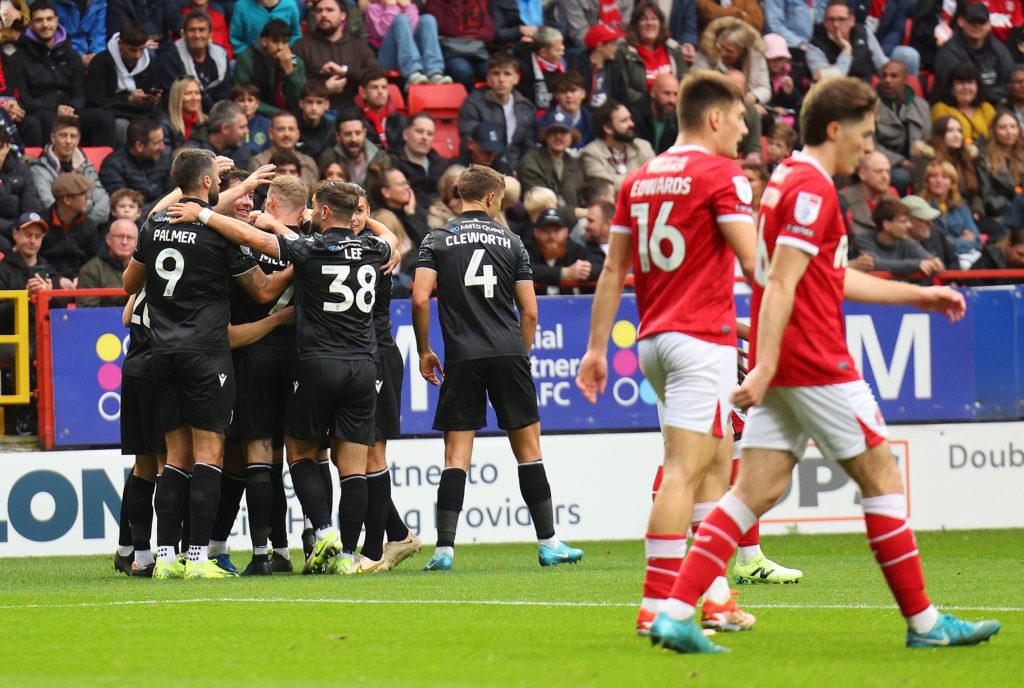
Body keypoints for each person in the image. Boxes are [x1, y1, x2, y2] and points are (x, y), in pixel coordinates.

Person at [642, 76, 999, 654]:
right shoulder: (812, 189)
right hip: (813, 361)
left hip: (787, 361)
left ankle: (676, 612)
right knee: (881, 476)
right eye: (864, 131)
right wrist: (763, 364)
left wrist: (920, 294)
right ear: (836, 129)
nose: (870, 144)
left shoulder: (787, 179)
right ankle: (927, 624)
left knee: (752, 491)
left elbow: (825, 277)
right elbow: (779, 280)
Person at [577, 68, 759, 637]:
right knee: (685, 469)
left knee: (713, 465)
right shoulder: (722, 176)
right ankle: (656, 606)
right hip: (699, 339)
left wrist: (595, 349)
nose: (745, 126)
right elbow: (757, 266)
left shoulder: (639, 178)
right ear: (713, 118)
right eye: (738, 116)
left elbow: (613, 269)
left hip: (657, 336)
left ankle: (718, 599)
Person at [166, 179, 398, 575]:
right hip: (364, 365)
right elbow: (391, 237)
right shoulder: (377, 251)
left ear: (323, 212)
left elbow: (250, 240)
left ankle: (324, 531)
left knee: (299, 451)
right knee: (353, 467)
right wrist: (368, 220)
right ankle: (346, 558)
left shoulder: (310, 249)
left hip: (318, 362)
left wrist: (204, 213)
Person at [121, 149, 289, 579]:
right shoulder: (219, 234)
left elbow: (128, 283)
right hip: (206, 353)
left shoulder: (154, 224)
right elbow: (263, 291)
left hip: (162, 352)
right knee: (209, 457)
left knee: (174, 458)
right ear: (209, 183)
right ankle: (197, 558)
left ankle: (163, 558)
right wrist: (301, 264)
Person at [412, 165, 584, 571]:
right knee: (529, 452)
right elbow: (530, 311)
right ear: (491, 198)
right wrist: (519, 353)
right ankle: (549, 543)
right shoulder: (512, 241)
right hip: (508, 352)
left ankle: (444, 551)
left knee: (456, 456)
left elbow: (420, 299)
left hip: (462, 355)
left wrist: (424, 349)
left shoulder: (437, 239)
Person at [346, 186, 421, 572]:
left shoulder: (378, 252)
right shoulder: (352, 247)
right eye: (349, 211)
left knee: (372, 453)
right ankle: (399, 534)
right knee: (352, 458)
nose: (355, 218)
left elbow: (391, 239)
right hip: (350, 359)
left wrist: (364, 218)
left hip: (376, 356)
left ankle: (373, 552)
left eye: (361, 211)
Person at [8, 1, 86, 146]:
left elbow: (80, 93)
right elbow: (24, 100)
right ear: (31, 24)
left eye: (49, 19)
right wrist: (56, 109)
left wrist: (70, 108)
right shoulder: (18, 59)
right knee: (48, 120)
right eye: (39, 20)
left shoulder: (72, 55)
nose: (45, 25)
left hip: (70, 109)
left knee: (101, 118)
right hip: (40, 111)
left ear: (57, 21)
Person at [292, 0, 383, 111]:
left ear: (343, 15)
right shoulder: (301, 46)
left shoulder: (357, 45)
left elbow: (377, 72)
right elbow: (294, 86)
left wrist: (345, 72)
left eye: (330, 10)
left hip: (353, 113)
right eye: (319, 11)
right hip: (316, 114)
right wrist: (324, 89)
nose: (324, 14)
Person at [84, 21, 164, 145]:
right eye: (132, 50)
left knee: (164, 125)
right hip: (114, 114)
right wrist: (128, 99)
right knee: (124, 127)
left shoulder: (150, 64)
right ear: (121, 44)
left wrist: (151, 98)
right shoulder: (100, 62)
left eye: (141, 49)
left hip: (143, 113)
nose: (137, 55)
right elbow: (94, 100)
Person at [457, 52, 537, 169]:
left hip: (517, 170)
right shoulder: (473, 103)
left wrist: (521, 171)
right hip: (481, 168)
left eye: (507, 74)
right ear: (488, 79)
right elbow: (471, 144)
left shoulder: (526, 108)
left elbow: (529, 149)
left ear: (516, 78)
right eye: (496, 74)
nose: (501, 79)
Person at [29, 116, 108, 226]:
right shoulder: (39, 168)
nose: (68, 141)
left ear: (78, 139)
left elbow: (103, 202)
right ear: (53, 137)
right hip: (55, 230)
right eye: (63, 135)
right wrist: (88, 204)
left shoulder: (85, 165)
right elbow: (51, 206)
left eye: (73, 136)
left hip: (89, 227)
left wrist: (85, 226)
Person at [614, 2, 689, 110]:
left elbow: (684, 83)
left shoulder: (673, 49)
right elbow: (624, 90)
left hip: (672, 111)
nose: (649, 23)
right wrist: (652, 105)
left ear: (660, 23)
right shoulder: (624, 51)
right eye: (644, 19)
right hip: (638, 111)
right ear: (636, 25)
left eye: (654, 19)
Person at [935, 3, 1014, 103]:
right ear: (961, 22)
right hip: (956, 105)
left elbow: (1010, 81)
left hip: (993, 104)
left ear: (989, 25)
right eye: (972, 21)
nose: (977, 26)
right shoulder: (948, 52)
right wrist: (994, 95)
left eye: (982, 22)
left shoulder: (999, 49)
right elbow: (956, 88)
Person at [518, 111, 585, 223]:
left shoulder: (576, 163)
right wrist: (578, 212)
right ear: (545, 135)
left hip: (573, 224)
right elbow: (541, 203)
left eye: (563, 132)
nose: (558, 136)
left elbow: (582, 198)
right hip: (541, 223)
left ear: (572, 136)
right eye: (553, 131)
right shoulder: (531, 160)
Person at [159, 9, 232, 111]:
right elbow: (173, 98)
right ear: (183, 34)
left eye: (202, 30)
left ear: (210, 34)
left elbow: (225, 94)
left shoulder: (220, 55)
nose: (197, 36)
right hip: (182, 115)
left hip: (216, 115)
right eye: (192, 30)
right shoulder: (171, 57)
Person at [854, 198, 945, 279]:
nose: (909, 225)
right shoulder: (863, 241)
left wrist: (935, 263)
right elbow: (874, 264)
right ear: (887, 225)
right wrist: (917, 264)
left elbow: (928, 259)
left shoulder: (906, 241)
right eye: (903, 221)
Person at [875, 58, 929, 194]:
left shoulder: (921, 105)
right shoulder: (870, 106)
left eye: (894, 76)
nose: (887, 80)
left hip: (916, 161)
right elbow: (870, 144)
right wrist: (901, 161)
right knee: (901, 177)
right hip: (885, 163)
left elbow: (928, 138)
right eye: (884, 76)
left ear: (905, 79)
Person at [233, 19, 307, 118]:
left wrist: (290, 72)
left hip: (292, 118)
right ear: (264, 41)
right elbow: (241, 98)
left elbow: (301, 100)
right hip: (256, 115)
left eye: (285, 42)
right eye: (275, 41)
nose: (280, 47)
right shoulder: (247, 59)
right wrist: (278, 114)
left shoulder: (295, 61)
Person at [580, 99, 656, 194]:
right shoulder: (591, 153)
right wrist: (642, 180)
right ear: (608, 128)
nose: (631, 124)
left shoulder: (642, 146)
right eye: (624, 121)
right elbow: (605, 187)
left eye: (630, 119)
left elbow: (655, 179)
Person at [99, 118, 171, 217]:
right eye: (157, 143)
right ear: (139, 146)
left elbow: (172, 192)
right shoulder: (113, 166)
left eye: (163, 141)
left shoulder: (164, 158)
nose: (162, 147)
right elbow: (123, 205)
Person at [365, 0, 449, 86]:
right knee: (401, 19)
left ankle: (434, 73)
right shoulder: (372, 8)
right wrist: (391, 6)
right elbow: (381, 33)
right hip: (388, 58)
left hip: (409, 54)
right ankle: (412, 73)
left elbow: (413, 30)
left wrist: (408, 7)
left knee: (428, 19)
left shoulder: (409, 6)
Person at [695, 17, 771, 108]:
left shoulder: (756, 56)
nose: (723, 53)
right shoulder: (707, 52)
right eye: (721, 47)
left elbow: (764, 88)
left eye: (729, 51)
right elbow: (698, 84)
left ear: (742, 52)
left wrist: (753, 97)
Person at [806, 0, 889, 82]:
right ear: (824, 22)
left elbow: (883, 65)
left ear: (851, 21)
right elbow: (827, 81)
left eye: (841, 19)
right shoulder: (815, 45)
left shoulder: (864, 33)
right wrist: (846, 50)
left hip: (866, 89)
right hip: (834, 93)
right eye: (831, 19)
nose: (836, 24)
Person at [920, 160, 982, 267]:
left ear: (952, 183)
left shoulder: (961, 206)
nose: (939, 180)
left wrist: (950, 241)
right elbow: (933, 246)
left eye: (945, 177)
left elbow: (976, 241)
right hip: (935, 261)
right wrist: (960, 240)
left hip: (963, 258)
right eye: (934, 176)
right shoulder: (921, 206)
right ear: (927, 181)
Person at [528, 208, 602, 295]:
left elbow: (599, 266)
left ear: (566, 232)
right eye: (545, 230)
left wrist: (586, 270)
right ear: (536, 232)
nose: (551, 236)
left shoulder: (575, 249)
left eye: (557, 230)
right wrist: (565, 273)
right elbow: (525, 270)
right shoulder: (527, 249)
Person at [41, 172, 99, 284]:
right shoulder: (41, 224)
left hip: (82, 284)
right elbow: (36, 260)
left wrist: (83, 277)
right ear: (67, 199)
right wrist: (57, 280)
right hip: (49, 284)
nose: (88, 197)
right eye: (83, 194)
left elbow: (93, 260)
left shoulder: (89, 225)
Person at [318, 108, 391, 188]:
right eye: (347, 134)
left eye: (358, 133)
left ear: (364, 133)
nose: (354, 139)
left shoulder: (380, 158)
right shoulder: (329, 158)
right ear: (338, 136)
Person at [391, 113, 451, 208]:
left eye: (429, 134)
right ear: (406, 134)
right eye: (419, 131)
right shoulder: (392, 164)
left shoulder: (442, 165)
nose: (424, 137)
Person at [977, 111, 1024, 228]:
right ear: (994, 131)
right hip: (1001, 217)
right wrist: (1018, 204)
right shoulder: (984, 158)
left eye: (1013, 127)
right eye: (1003, 127)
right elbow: (988, 200)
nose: (1009, 132)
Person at [76, 218, 136, 306]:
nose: (124, 242)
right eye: (119, 236)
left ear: (137, 243)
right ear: (108, 239)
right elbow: (88, 312)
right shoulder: (91, 271)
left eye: (129, 237)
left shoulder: (146, 268)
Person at [930, 63, 996, 142]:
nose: (966, 87)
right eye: (960, 83)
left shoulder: (986, 108)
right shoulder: (940, 108)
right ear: (951, 88)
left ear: (978, 87)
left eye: (970, 82)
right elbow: (942, 140)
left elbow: (996, 138)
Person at [252, 111, 319, 187]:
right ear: (271, 133)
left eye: (291, 129)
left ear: (298, 134)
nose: (287, 134)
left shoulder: (309, 163)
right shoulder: (259, 162)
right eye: (280, 129)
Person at [840, 151, 898, 238]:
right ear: (862, 174)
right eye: (879, 171)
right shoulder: (844, 198)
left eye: (888, 172)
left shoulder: (893, 199)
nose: (885, 177)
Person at [184, 100, 253, 172]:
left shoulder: (243, 151)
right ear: (225, 128)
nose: (247, 131)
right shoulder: (193, 154)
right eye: (242, 127)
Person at [569, 23, 625, 109]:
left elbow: (619, 95)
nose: (616, 48)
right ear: (599, 46)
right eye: (613, 44)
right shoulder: (578, 66)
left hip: (609, 113)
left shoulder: (615, 65)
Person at [369, 167, 429, 245]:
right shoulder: (382, 220)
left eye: (407, 183)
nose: (407, 187)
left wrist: (411, 215)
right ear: (386, 192)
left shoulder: (415, 210)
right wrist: (411, 216)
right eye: (402, 184)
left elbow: (429, 246)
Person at [0, 127, 40, 240]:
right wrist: (15, 232)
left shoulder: (22, 170)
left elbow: (32, 205)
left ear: (8, 146)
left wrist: (26, 233)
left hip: (21, 233)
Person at [901, 194, 960, 270]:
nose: (930, 224)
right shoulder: (896, 245)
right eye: (924, 219)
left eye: (930, 219)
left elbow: (953, 260)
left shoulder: (935, 234)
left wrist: (953, 281)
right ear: (907, 221)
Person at [516, 26, 566, 112]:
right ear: (543, 52)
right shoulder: (524, 67)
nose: (562, 54)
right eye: (558, 51)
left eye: (562, 49)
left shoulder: (562, 64)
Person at [230, 0, 301, 57]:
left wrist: (284, 51)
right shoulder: (241, 6)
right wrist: (248, 58)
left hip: (283, 57)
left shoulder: (290, 5)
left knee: (295, 67)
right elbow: (236, 39)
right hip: (253, 60)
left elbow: (296, 35)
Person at [355, 69, 404, 150]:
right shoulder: (354, 119)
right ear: (363, 93)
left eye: (384, 87)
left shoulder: (399, 120)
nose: (380, 91)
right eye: (374, 87)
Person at [633, 72, 680, 154]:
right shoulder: (635, 116)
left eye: (675, 94)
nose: (672, 100)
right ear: (652, 93)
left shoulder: (677, 120)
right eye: (666, 93)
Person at [545, 71, 594, 149]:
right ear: (556, 96)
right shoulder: (545, 121)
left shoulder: (592, 122)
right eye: (563, 92)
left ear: (583, 94)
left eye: (573, 90)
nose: (568, 95)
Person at [106, 0, 182, 49]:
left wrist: (182, 30)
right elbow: (119, 28)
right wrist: (141, 42)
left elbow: (175, 19)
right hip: (134, 44)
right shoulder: (117, 2)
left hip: (163, 44)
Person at [53, 0, 104, 69]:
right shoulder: (54, 2)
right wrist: (79, 58)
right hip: (64, 55)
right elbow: (55, 36)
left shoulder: (98, 2)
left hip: (91, 56)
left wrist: (97, 56)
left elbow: (99, 34)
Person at [162, 77, 207, 151]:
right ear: (177, 97)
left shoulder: (204, 124)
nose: (194, 98)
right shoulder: (166, 127)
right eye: (188, 93)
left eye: (197, 93)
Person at [232, 83, 272, 156]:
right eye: (241, 100)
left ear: (257, 103)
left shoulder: (267, 124)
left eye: (250, 100)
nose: (246, 104)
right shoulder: (230, 124)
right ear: (233, 103)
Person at [427, 164, 464, 229]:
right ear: (445, 189)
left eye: (464, 187)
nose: (459, 192)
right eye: (456, 188)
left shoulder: (477, 207)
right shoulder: (436, 211)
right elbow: (437, 236)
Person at [697, 0, 763, 32]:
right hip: (712, 45)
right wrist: (737, 14)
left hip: (741, 43)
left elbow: (757, 23)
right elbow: (706, 11)